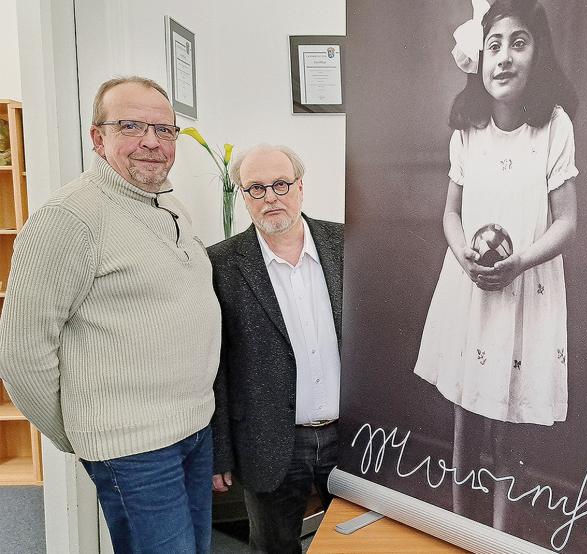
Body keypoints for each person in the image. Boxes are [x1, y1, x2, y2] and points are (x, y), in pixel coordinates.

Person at [0, 76, 220, 553]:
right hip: (134, 449)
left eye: (164, 131)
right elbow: (21, 353)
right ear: (98, 138)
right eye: (130, 126)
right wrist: (84, 431)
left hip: (193, 430)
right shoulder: (69, 218)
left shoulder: (170, 206)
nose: (150, 142)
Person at [412, 0, 578, 527]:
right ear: (479, 60)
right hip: (470, 286)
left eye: (519, 43)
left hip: (524, 286)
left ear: (538, 55)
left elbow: (567, 221)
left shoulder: (554, 126)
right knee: (464, 414)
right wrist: (463, 255)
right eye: (494, 45)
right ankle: (462, 528)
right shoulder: (468, 130)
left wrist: (520, 261)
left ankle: (502, 536)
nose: (504, 57)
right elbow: (451, 213)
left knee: (507, 423)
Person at [208, 144, 343, 554]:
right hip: (268, 444)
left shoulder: (348, 244)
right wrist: (221, 453)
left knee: (356, 543)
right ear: (244, 196)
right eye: (256, 188)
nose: (271, 197)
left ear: (300, 187)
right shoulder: (220, 264)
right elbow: (217, 369)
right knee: (272, 547)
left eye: (281, 184)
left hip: (352, 437)